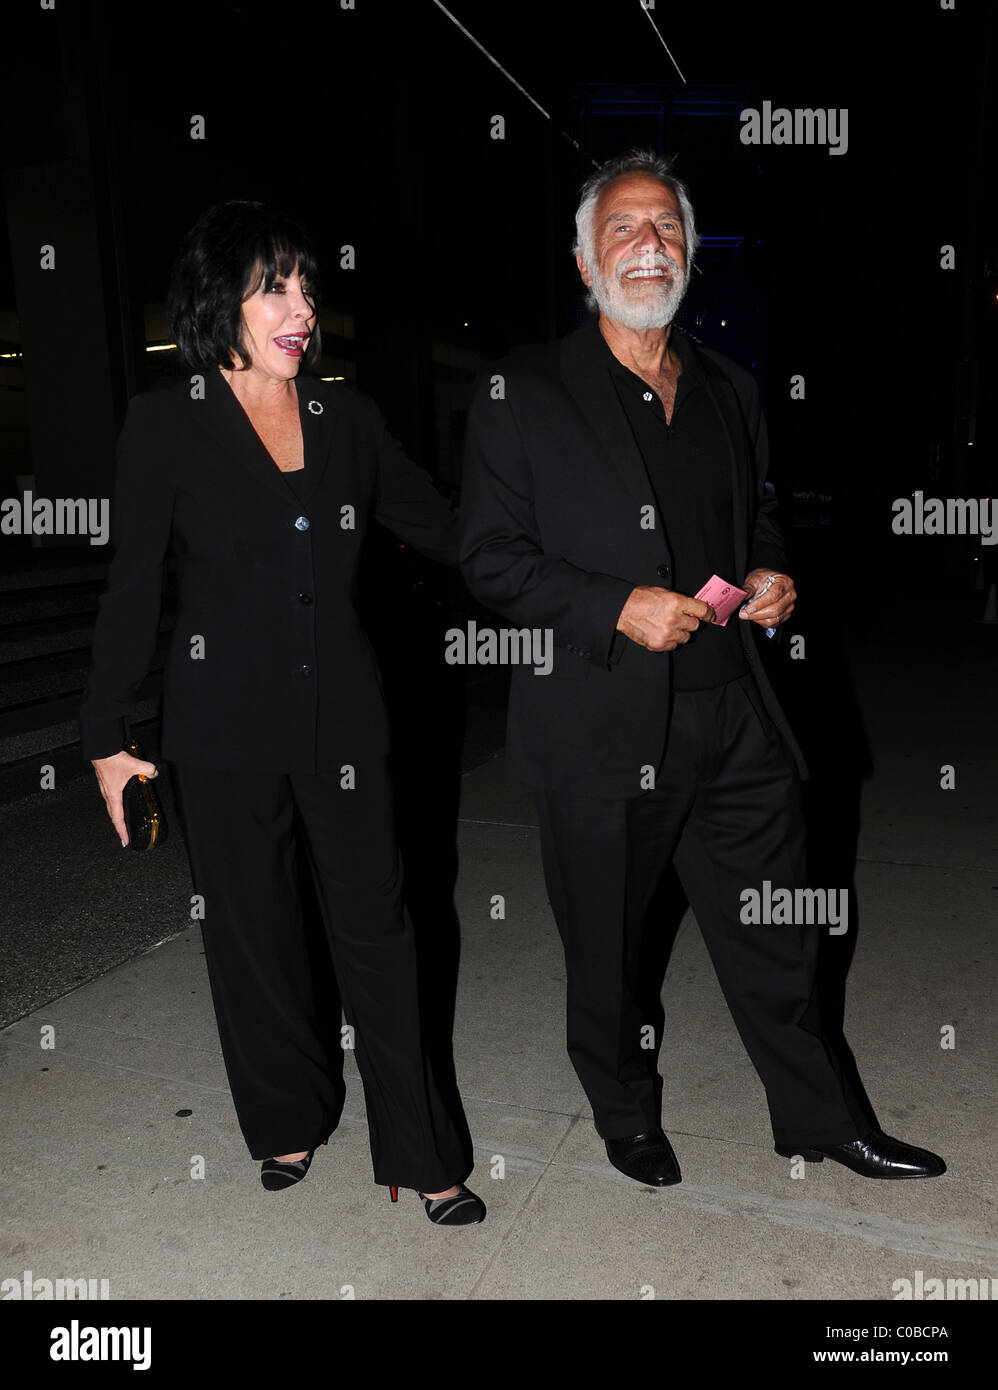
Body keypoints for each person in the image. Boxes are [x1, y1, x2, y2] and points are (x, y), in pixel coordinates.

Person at [458, 150, 945, 1187]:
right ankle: (624, 1112)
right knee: (610, 950)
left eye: (666, 229)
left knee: (782, 934)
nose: (649, 246)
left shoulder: (728, 386)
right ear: (585, 260)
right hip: (597, 726)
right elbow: (488, 556)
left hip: (733, 713)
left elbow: (756, 513)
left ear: (689, 254)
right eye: (625, 229)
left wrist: (770, 572)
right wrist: (610, 606)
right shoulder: (523, 391)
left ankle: (818, 1117)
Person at [80, 200, 485, 1225]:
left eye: (306, 285)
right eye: (276, 286)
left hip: (346, 723)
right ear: (223, 301)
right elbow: (131, 592)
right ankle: (285, 1118)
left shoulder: (344, 419)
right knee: (254, 936)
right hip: (217, 729)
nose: (302, 307)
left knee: (380, 934)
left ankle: (422, 1151)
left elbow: (449, 530)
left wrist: (584, 568)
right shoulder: (166, 422)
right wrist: (106, 741)